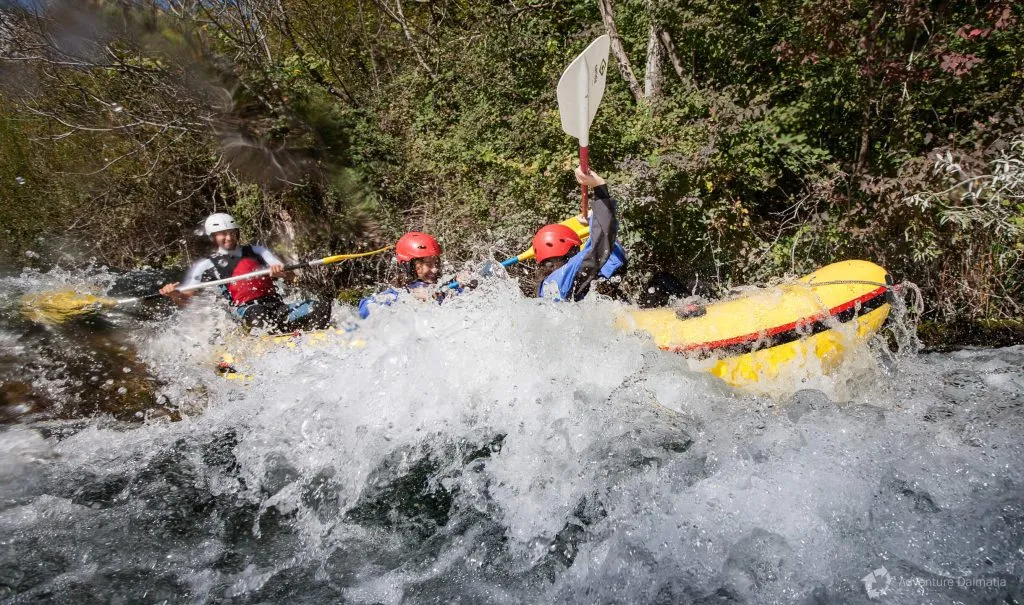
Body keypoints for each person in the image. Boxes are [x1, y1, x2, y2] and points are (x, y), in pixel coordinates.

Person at [159, 212, 331, 333]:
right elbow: (186, 298)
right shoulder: (206, 265)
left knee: (319, 307)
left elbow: (285, 273)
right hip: (246, 311)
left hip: (277, 306)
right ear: (213, 237)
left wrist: (281, 272)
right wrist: (174, 294)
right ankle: (263, 341)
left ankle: (305, 334)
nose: (228, 237)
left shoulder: (257, 251)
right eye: (222, 234)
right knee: (259, 315)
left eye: (232, 233)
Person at [534, 166, 627, 301]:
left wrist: (593, 223)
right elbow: (599, 249)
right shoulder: (563, 276)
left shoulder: (549, 285)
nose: (577, 255)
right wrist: (599, 187)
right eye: (574, 251)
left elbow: (613, 260)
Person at [357, 232, 469, 319]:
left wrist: (463, 282)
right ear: (409, 266)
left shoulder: (444, 286)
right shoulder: (398, 293)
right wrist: (411, 298)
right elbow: (364, 310)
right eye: (428, 264)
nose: (435, 269)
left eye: (436, 263)